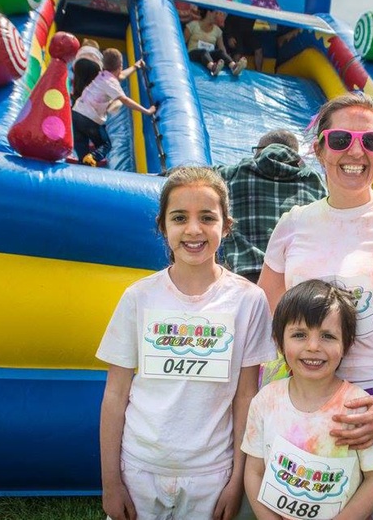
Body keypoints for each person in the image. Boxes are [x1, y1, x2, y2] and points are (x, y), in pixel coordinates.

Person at [258, 93, 373, 518]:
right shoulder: (293, 224)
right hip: (304, 403)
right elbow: (268, 318)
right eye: (341, 138)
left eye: (372, 141)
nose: (356, 151)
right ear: (319, 148)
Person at [97, 166, 278, 520]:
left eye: (207, 218)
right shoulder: (138, 297)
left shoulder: (248, 300)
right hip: (140, 468)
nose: (193, 230)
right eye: (180, 218)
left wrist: (237, 481)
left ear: (225, 226)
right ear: (163, 226)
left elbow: (246, 397)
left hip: (212, 473)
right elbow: (116, 394)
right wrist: (110, 483)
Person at [242, 279, 373, 519]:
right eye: (299, 335)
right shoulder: (265, 400)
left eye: (328, 336)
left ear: (346, 345)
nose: (313, 346)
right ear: (279, 342)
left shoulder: (357, 407)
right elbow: (254, 471)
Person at [216, 129, 327, 283]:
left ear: (260, 150)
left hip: (246, 276)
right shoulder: (314, 180)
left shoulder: (236, 172)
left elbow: (198, 177)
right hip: (296, 280)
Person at [72, 48, 154, 167]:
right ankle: (93, 157)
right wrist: (146, 111)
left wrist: (135, 67)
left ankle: (84, 162)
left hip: (76, 113)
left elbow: (120, 76)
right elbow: (125, 100)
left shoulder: (102, 75)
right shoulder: (111, 82)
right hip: (89, 119)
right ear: (120, 65)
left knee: (82, 151)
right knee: (105, 145)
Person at [185, 9, 247, 77]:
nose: (217, 16)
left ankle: (234, 67)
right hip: (193, 54)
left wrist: (226, 57)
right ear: (209, 13)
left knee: (219, 52)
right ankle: (212, 68)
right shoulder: (192, 25)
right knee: (203, 51)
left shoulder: (217, 30)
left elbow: (222, 48)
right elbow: (183, 42)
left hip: (208, 55)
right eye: (216, 13)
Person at [71, 38, 103, 103]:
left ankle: (76, 96)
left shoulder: (81, 50)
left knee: (79, 82)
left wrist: (75, 71)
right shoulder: (98, 53)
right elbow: (102, 64)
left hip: (81, 63)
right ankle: (89, 98)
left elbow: (75, 61)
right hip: (95, 65)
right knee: (91, 83)